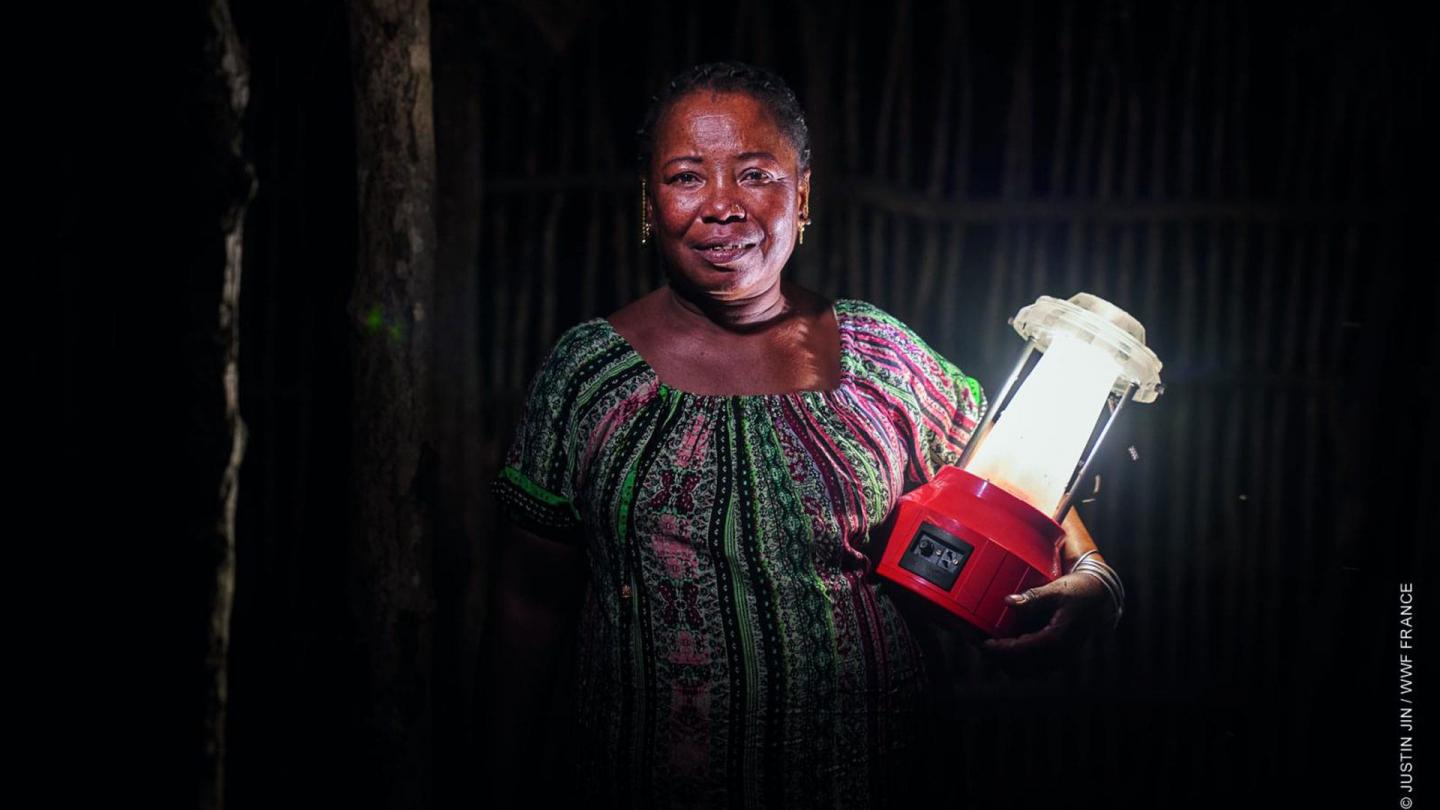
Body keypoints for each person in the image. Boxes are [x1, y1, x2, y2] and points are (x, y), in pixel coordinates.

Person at [484, 61, 1124, 809]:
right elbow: (529, 604)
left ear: (803, 192)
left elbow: (1015, 471)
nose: (721, 207)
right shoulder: (588, 378)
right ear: (649, 203)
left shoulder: (884, 359)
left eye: (754, 174)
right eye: (687, 177)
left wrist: (1097, 574)